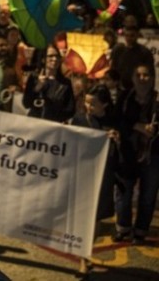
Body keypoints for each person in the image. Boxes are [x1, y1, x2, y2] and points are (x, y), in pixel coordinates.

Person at [68, 84, 120, 274]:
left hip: (103, 177)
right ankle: (84, 259)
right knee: (84, 219)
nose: (88, 107)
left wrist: (116, 140)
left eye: (93, 104)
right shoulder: (79, 119)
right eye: (86, 102)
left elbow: (122, 153)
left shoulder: (112, 122)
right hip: (83, 175)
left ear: (104, 105)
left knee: (96, 219)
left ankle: (86, 255)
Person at [113, 63, 158, 245]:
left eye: (146, 75)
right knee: (123, 192)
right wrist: (137, 126)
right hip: (128, 152)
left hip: (153, 154)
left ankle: (140, 231)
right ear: (132, 78)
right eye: (138, 75)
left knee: (148, 194)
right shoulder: (125, 98)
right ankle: (123, 227)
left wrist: (154, 129)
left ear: (153, 78)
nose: (142, 79)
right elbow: (117, 120)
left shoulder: (157, 100)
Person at [21, 45, 75, 123]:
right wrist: (37, 88)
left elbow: (70, 110)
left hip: (52, 127)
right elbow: (26, 103)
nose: (54, 59)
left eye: (57, 56)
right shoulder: (34, 78)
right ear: (43, 59)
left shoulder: (65, 83)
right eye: (50, 56)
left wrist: (54, 115)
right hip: (33, 123)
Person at [109, 23, 153, 91]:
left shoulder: (144, 52)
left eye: (132, 35)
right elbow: (112, 68)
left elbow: (150, 74)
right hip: (119, 88)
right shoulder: (118, 50)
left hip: (137, 89)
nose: (129, 38)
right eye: (127, 35)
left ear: (137, 35)